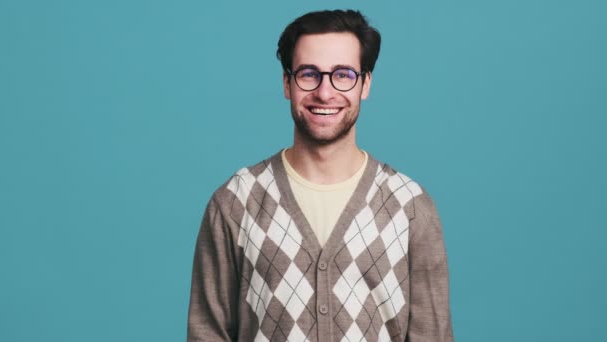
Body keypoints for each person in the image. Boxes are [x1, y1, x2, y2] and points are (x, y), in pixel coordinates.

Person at [188, 9, 453, 342]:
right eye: (309, 74)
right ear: (287, 83)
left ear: (365, 83)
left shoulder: (410, 207)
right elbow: (206, 333)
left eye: (343, 74)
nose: (325, 93)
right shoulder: (236, 203)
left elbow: (433, 336)